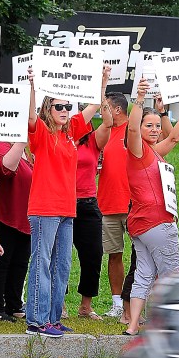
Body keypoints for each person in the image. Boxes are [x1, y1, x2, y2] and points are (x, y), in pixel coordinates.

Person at [25, 65, 110, 338]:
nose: (64, 111)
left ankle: (52, 317)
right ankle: (36, 321)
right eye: (58, 107)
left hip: (66, 208)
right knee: (42, 262)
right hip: (44, 207)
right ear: (48, 110)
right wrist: (33, 86)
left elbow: (94, 105)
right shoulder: (40, 133)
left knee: (62, 266)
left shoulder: (71, 132)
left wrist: (103, 79)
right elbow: (29, 117)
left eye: (67, 107)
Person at [123, 80, 179, 336]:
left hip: (141, 226)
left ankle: (132, 326)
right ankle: (167, 325)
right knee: (170, 275)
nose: (154, 130)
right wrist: (139, 99)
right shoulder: (137, 152)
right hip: (156, 222)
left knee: (144, 274)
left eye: (156, 126)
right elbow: (131, 130)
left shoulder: (153, 153)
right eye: (148, 125)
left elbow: (173, 136)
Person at [98, 90, 172, 321]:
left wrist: (156, 108)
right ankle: (118, 304)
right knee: (116, 255)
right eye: (150, 125)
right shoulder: (106, 133)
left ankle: (134, 311)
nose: (102, 111)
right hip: (110, 203)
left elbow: (171, 137)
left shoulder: (139, 137)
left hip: (135, 208)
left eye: (105, 107)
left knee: (139, 262)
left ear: (117, 109)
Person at [0, 141, 32, 322]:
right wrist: (20, 141)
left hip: (23, 217)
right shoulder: (0, 145)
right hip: (5, 215)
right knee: (1, 264)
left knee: (19, 264)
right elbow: (6, 170)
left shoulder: (26, 150)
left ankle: (14, 304)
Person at [72, 108, 112, 320]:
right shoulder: (62, 139)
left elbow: (107, 123)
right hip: (63, 203)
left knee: (93, 255)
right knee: (58, 257)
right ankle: (58, 303)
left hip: (87, 202)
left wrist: (101, 91)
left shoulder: (93, 141)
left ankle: (86, 306)